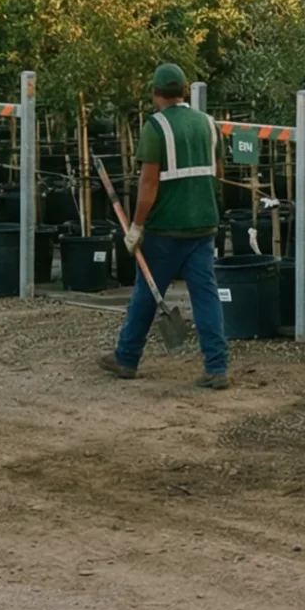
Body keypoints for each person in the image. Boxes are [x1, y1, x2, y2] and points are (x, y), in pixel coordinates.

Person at [99, 63, 231, 387]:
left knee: (146, 293)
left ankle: (126, 357)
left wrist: (137, 226)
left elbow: (148, 183)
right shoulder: (209, 124)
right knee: (206, 295)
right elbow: (218, 173)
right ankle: (217, 367)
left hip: (165, 230)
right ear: (185, 91)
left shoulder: (155, 127)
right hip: (204, 225)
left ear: (155, 93)